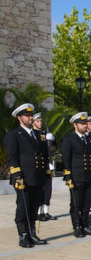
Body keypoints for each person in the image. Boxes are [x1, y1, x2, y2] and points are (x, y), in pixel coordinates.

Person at [4, 103, 49, 247]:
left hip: (37, 177)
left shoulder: (38, 135)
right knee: (23, 207)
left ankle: (32, 233)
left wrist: (45, 174)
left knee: (34, 206)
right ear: (19, 118)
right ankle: (23, 235)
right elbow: (12, 157)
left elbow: (43, 156)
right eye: (27, 116)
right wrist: (17, 176)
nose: (30, 118)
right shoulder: (13, 135)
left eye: (31, 115)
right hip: (23, 178)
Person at [61, 112, 91, 237]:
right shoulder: (69, 140)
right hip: (77, 176)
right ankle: (77, 226)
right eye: (82, 124)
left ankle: (85, 225)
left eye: (85, 123)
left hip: (89, 176)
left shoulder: (89, 139)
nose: (85, 126)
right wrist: (68, 176)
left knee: (87, 203)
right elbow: (66, 160)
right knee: (77, 204)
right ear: (75, 125)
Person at [32, 112, 57, 222]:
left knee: (48, 189)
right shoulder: (32, 134)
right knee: (39, 190)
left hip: (48, 165)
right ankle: (38, 213)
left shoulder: (45, 134)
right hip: (38, 167)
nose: (40, 123)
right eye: (37, 121)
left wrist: (51, 141)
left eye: (41, 121)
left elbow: (53, 149)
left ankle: (45, 211)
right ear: (33, 122)